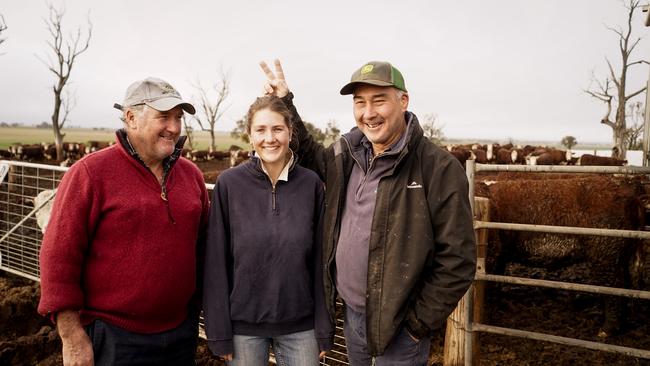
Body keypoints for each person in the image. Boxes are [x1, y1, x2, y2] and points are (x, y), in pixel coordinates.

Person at [260, 60, 476, 365]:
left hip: (401, 326)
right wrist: (285, 101)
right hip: (352, 315)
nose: (368, 112)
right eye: (359, 102)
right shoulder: (346, 154)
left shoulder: (437, 168)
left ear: (403, 101)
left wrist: (417, 325)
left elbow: (459, 260)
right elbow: (309, 156)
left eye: (378, 100)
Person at [38, 77, 210, 366]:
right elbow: (59, 257)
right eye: (164, 117)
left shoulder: (191, 175)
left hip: (180, 333)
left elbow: (204, 247)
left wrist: (198, 312)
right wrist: (71, 336)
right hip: (114, 337)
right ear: (131, 117)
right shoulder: (90, 174)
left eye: (179, 118)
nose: (175, 127)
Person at [202, 95, 333, 365]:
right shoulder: (229, 184)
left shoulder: (311, 185)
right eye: (260, 130)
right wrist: (219, 331)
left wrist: (323, 327)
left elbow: (322, 262)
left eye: (277, 129)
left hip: (302, 328)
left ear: (290, 132)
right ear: (250, 135)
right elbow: (216, 262)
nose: (269, 138)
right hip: (243, 330)